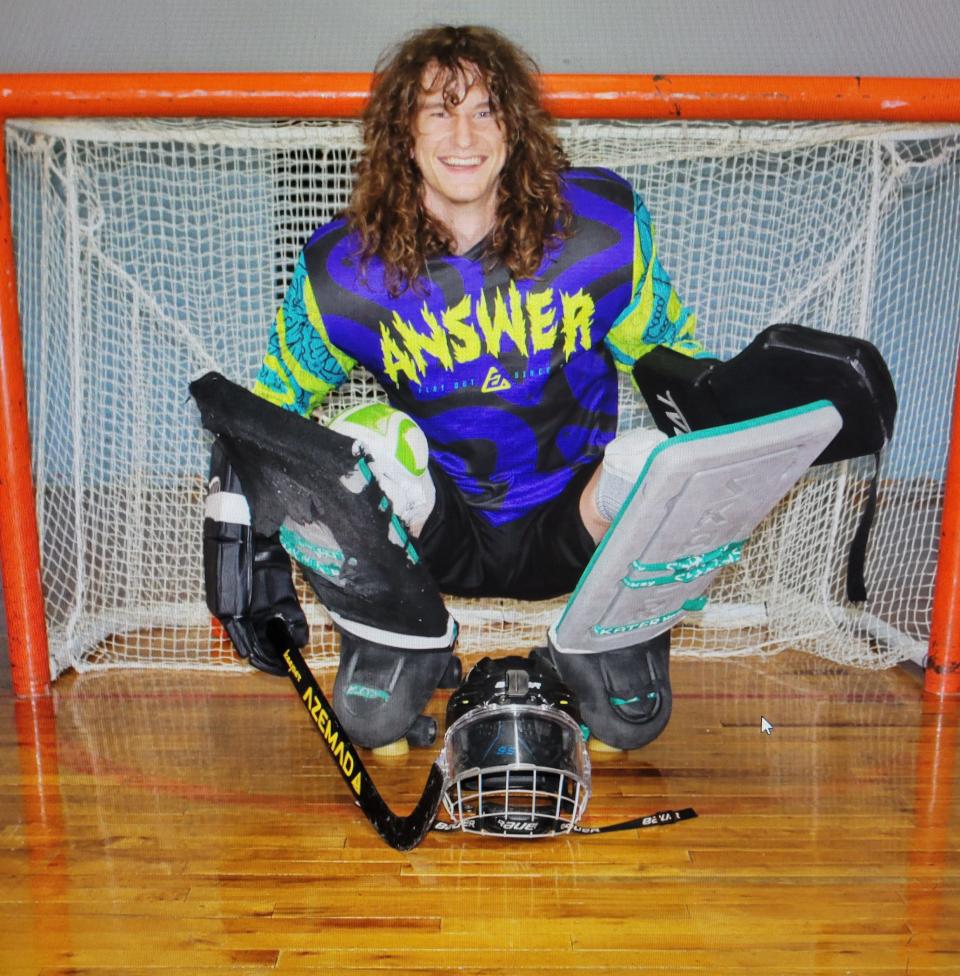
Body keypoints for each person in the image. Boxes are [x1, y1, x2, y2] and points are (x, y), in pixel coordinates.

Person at [200, 24, 839, 753]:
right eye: (439, 111)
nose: (463, 133)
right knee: (361, 442)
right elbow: (265, 418)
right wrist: (238, 544)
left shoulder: (599, 228)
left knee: (663, 460)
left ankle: (603, 642)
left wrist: (771, 419)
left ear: (515, 127)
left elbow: (679, 377)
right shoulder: (344, 268)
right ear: (403, 133)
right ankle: (399, 642)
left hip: (579, 525)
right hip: (437, 533)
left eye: (484, 109)